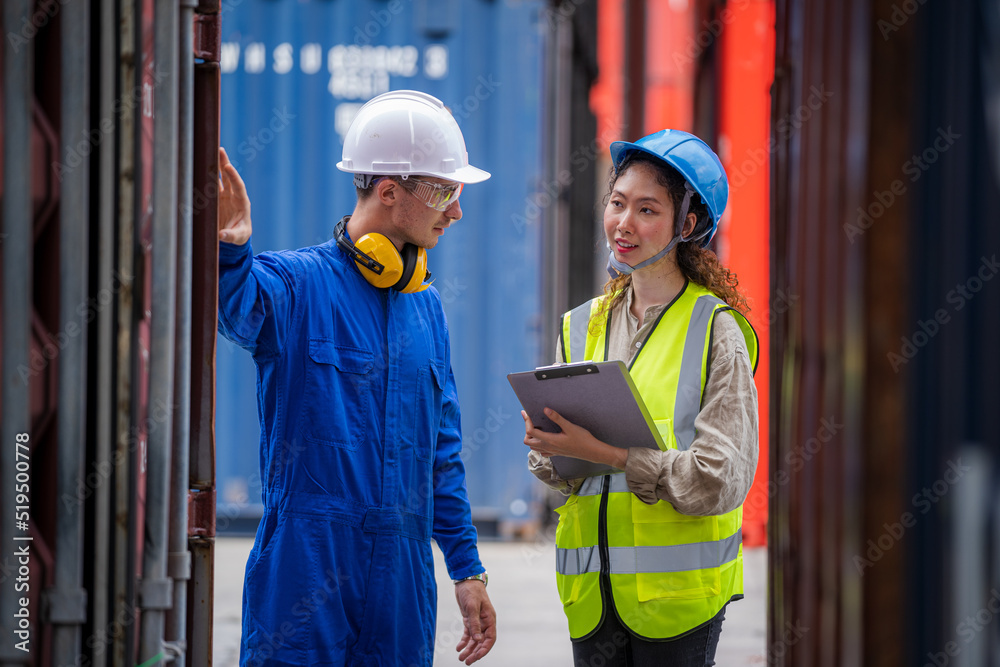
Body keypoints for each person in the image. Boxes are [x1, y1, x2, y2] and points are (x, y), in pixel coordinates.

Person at [217, 90, 497, 666]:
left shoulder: (427, 310)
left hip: (402, 585)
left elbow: (441, 452)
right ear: (390, 192)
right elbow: (237, 311)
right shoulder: (296, 286)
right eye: (445, 191)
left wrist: (467, 569)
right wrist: (230, 250)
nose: (456, 211)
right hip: (304, 571)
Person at [523, 129, 759, 666]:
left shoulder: (715, 330)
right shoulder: (579, 324)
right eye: (617, 203)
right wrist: (548, 445)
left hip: (678, 604)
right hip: (591, 597)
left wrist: (611, 456)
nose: (624, 223)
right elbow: (554, 470)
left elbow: (722, 480)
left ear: (687, 225)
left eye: (647, 209)